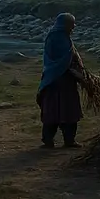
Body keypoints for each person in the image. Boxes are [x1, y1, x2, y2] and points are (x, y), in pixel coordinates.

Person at [36, 12, 83, 149]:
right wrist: (76, 71)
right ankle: (61, 140)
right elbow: (64, 59)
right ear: (65, 24)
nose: (73, 27)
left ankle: (54, 140)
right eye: (72, 23)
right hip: (60, 80)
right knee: (64, 110)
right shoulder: (59, 37)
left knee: (54, 110)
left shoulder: (57, 36)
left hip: (53, 79)